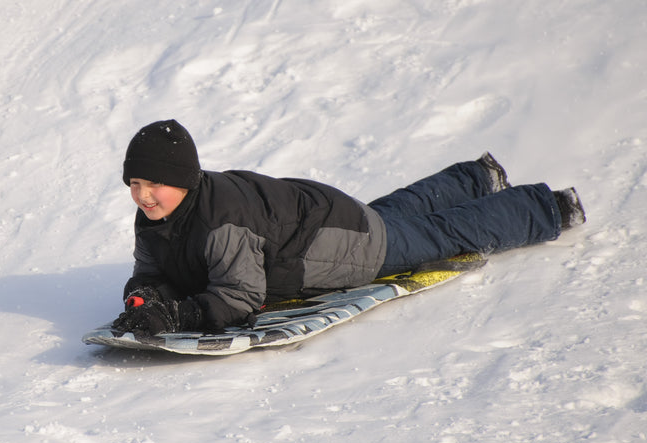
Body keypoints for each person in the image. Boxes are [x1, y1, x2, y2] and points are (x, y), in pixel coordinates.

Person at [112, 119, 585, 336]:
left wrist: (179, 316)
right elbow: (151, 269)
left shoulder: (220, 224)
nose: (143, 195)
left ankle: (545, 208)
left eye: (155, 183)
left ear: (184, 180)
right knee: (394, 219)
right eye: (135, 183)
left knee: (438, 236)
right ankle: (476, 177)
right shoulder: (156, 216)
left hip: (331, 244)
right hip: (319, 211)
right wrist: (145, 296)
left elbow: (241, 297)